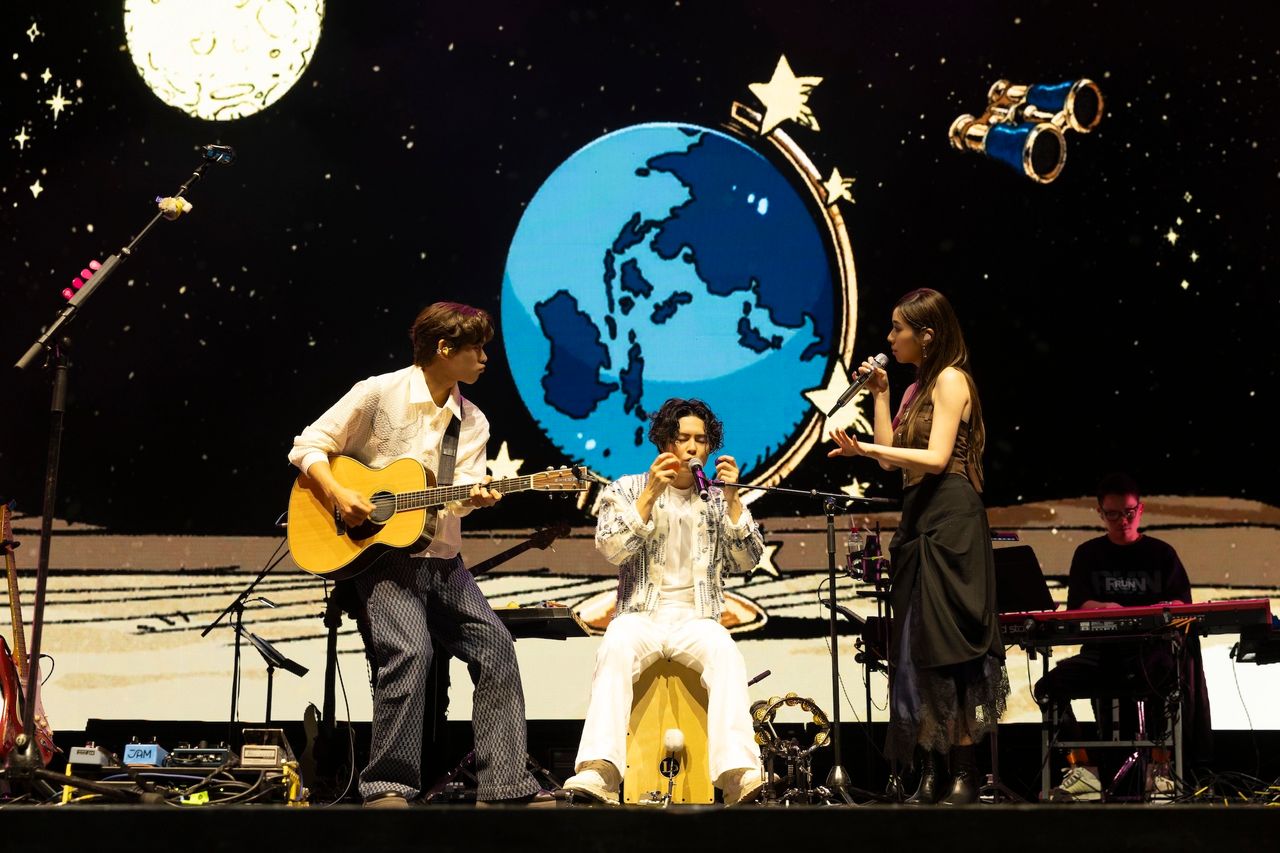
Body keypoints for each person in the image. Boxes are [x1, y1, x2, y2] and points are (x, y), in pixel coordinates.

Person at [288, 301, 550, 808]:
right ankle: (387, 784)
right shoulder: (378, 393)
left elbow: (459, 495)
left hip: (444, 559)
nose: (484, 359)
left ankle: (504, 784)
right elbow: (308, 446)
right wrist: (341, 495)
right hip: (383, 558)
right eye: (476, 349)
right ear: (444, 348)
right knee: (410, 652)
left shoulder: (472, 420)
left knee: (497, 647)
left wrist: (477, 496)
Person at [826, 287, 1009, 805]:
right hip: (917, 518)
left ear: (926, 335)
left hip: (951, 520)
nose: (889, 338)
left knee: (951, 650)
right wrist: (882, 394)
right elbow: (892, 461)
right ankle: (930, 770)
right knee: (915, 650)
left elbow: (935, 458)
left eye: (897, 328)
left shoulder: (951, 379)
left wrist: (864, 447)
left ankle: (965, 773)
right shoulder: (913, 390)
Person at [563, 398, 766, 806]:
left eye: (700, 440)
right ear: (664, 442)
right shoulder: (626, 488)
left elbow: (747, 560)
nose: (692, 447)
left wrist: (733, 501)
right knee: (615, 647)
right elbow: (612, 549)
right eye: (682, 438)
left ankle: (738, 774)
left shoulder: (716, 497)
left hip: (698, 618)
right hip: (641, 614)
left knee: (726, 654)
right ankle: (599, 772)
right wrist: (650, 495)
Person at [1034, 472, 1211, 802]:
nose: (1122, 521)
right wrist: (1103, 607)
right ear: (1100, 513)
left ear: (1140, 510)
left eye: (1128, 512)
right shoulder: (1088, 554)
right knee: (1048, 688)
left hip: (1150, 654)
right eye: (1113, 514)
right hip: (1101, 656)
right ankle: (1083, 771)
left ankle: (1160, 771)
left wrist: (1160, 610)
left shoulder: (1162, 554)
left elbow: (1182, 606)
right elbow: (1078, 606)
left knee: (1168, 676)